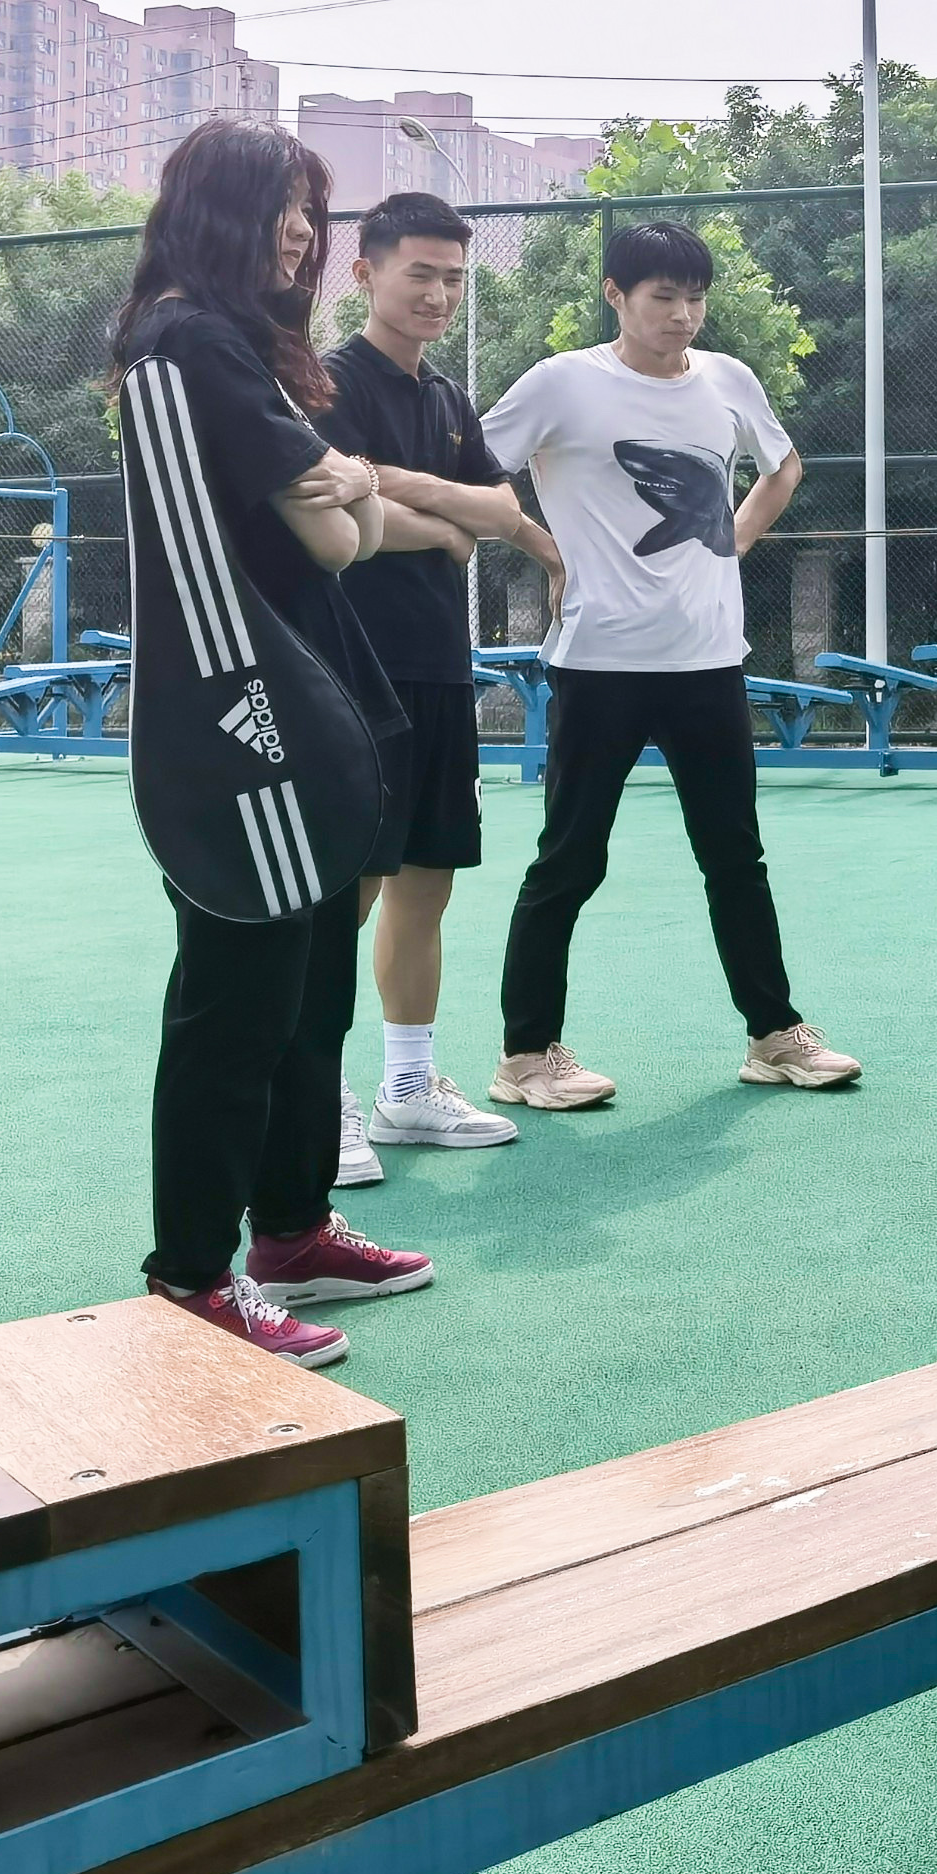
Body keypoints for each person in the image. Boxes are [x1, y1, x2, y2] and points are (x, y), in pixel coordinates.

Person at [113, 121, 431, 1365]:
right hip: (238, 712)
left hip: (307, 696)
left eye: (309, 207)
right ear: (215, 210)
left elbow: (347, 513)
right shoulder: (186, 338)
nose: (301, 231)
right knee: (234, 1001)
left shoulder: (232, 341)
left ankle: (292, 1231)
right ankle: (190, 1274)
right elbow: (336, 535)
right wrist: (350, 489)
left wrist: (348, 488)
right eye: (280, 205)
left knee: (307, 990)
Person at [484, 220, 854, 1102]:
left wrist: (735, 538)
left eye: (696, 298)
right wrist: (545, 547)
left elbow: (783, 466)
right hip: (598, 663)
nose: (683, 315)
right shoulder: (562, 382)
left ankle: (774, 1034)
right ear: (615, 294)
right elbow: (475, 468)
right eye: (663, 297)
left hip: (709, 660)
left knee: (735, 856)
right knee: (569, 860)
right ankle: (525, 1055)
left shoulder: (728, 379)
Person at [310, 191, 561, 1182]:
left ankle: (407, 1089)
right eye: (420, 272)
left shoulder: (450, 399)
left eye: (454, 278)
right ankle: (318, 1100)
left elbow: (498, 508)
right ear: (364, 272)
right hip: (352, 670)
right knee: (348, 891)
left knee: (427, 882)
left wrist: (395, 488)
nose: (439, 294)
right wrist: (447, 517)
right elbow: (339, 505)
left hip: (439, 670)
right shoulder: (328, 382)